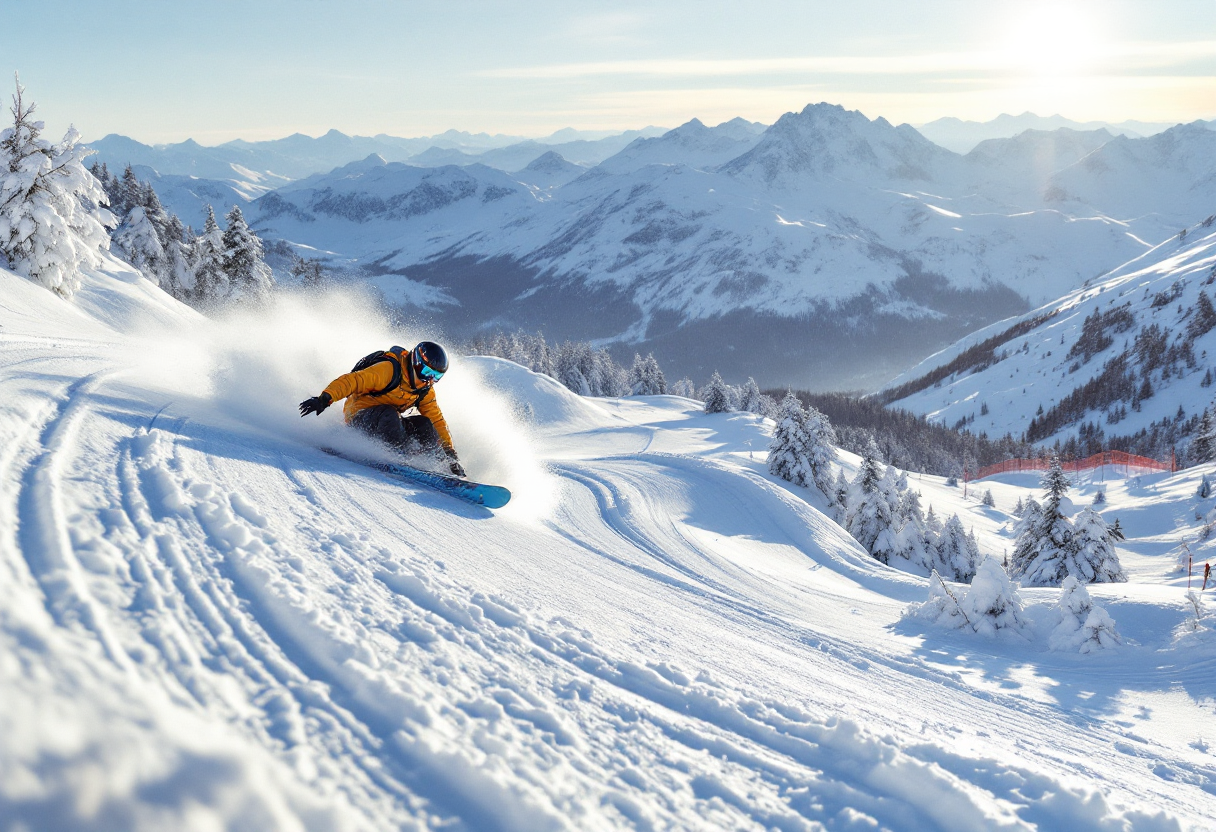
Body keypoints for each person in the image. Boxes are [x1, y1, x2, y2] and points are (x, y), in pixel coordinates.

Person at [299, 340, 466, 477]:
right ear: (416, 362)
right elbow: (352, 381)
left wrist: (449, 454)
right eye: (427, 372)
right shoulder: (389, 370)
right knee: (389, 414)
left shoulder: (424, 390)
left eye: (436, 376)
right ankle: (397, 458)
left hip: (389, 426)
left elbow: (436, 419)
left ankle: (442, 467)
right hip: (360, 418)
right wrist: (325, 399)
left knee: (424, 423)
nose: (429, 380)